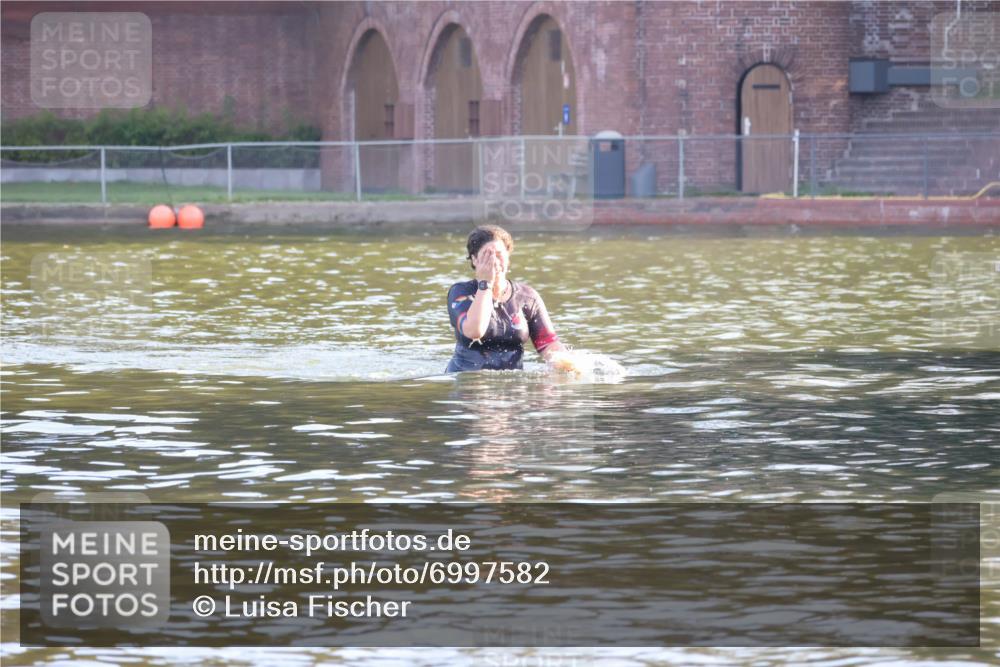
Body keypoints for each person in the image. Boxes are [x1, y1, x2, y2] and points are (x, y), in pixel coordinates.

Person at [445, 225, 579, 373]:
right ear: (474, 259)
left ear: (508, 257)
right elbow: (474, 331)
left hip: (512, 384)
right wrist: (485, 284)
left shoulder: (527, 297)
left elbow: (548, 344)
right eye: (487, 255)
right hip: (468, 380)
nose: (494, 261)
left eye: (499, 254)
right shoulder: (461, 292)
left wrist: (569, 364)